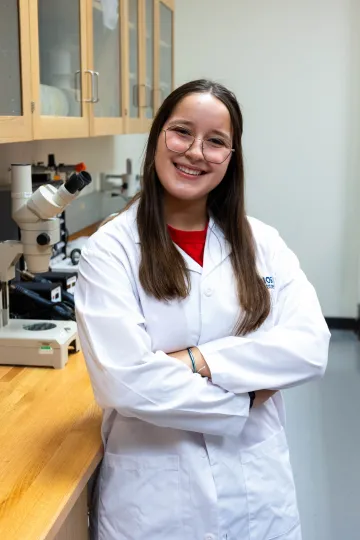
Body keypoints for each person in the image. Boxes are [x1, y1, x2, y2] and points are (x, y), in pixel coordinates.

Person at [75, 79, 330, 540]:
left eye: (216, 141)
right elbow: (127, 384)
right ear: (157, 138)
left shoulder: (262, 243)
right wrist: (247, 395)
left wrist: (198, 360)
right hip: (156, 505)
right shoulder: (110, 250)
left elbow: (310, 347)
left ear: (231, 159)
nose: (196, 151)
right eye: (181, 132)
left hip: (259, 496)